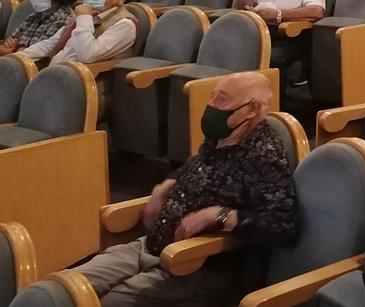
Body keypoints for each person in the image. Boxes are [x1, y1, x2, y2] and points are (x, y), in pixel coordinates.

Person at [67, 71, 297, 307]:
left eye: (222, 99)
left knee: (102, 303)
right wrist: (165, 187)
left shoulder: (263, 154)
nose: (211, 105)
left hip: (193, 266)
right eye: (212, 96)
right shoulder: (221, 136)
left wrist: (218, 215)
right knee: (68, 286)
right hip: (151, 244)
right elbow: (194, 169)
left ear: (250, 109)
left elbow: (282, 224)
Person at [236, 0, 325, 86]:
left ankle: (273, 103)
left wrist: (278, 15)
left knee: (270, 58)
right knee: (227, 48)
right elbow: (241, 8)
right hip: (256, 32)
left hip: (287, 36)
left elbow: (316, 11)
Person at [22, 0, 137, 65]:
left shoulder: (125, 24)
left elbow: (87, 55)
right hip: (57, 74)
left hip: (86, 82)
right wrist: (18, 58)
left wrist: (84, 18)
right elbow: (51, 43)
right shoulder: (89, 16)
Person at [0, 0, 76, 57]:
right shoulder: (34, 16)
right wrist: (10, 45)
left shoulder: (64, 20)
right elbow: (10, 41)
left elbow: (42, 55)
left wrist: (12, 51)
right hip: (14, 59)